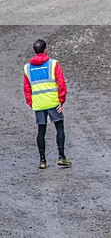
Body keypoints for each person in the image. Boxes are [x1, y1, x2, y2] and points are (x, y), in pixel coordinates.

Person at [23, 39, 71, 169]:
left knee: (41, 131)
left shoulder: (27, 68)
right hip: (53, 102)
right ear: (45, 49)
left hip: (38, 104)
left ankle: (42, 161)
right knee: (59, 128)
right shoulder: (53, 64)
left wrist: (31, 103)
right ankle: (61, 157)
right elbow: (61, 83)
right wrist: (61, 101)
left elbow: (27, 88)